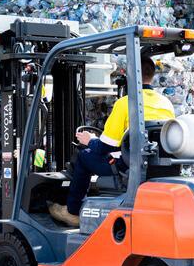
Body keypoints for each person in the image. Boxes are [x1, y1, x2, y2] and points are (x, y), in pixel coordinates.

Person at [49, 56, 175, 227]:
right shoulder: (166, 103)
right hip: (155, 165)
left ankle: (72, 212)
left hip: (129, 165)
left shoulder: (126, 103)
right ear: (152, 75)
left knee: (84, 156)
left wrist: (90, 140)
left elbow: (104, 146)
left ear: (131, 75)